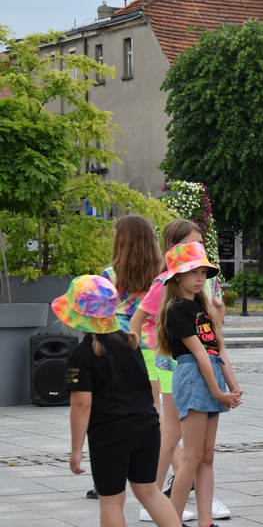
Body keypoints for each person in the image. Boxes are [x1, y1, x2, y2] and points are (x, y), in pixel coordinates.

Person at [54, 275, 204, 527]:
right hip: (146, 428)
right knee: (149, 491)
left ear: (78, 317)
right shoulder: (131, 342)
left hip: (111, 435)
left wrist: (76, 450)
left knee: (112, 500)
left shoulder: (83, 354)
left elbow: (82, 405)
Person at [133, 219, 230, 522]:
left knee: (190, 443)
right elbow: (139, 319)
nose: (198, 252)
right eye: (192, 245)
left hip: (201, 365)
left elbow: (215, 330)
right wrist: (135, 355)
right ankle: (153, 496)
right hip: (174, 366)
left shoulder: (202, 283)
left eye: (201, 245)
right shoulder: (164, 283)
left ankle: (184, 502)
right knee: (173, 434)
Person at [155, 242, 243, 527]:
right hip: (194, 377)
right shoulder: (177, 309)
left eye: (203, 272)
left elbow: (216, 349)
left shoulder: (201, 307)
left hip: (210, 374)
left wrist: (232, 384)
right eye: (193, 271)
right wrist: (219, 391)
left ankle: (204, 526)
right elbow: (198, 354)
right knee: (192, 457)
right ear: (176, 277)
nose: (199, 277)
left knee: (206, 455)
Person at [83, 215, 164, 501]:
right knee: (152, 413)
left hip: (120, 347)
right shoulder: (161, 274)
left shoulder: (110, 275)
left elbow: (101, 314)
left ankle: (115, 473)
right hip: (154, 347)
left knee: (118, 408)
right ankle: (152, 474)